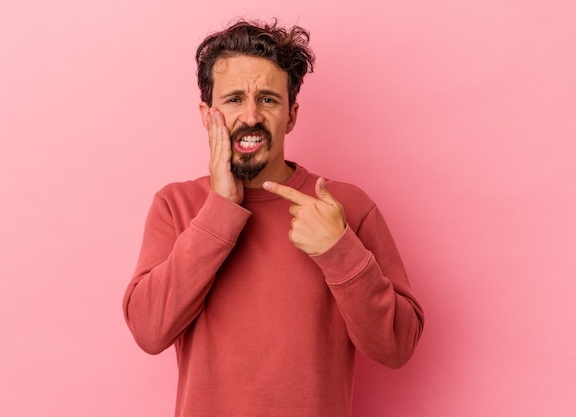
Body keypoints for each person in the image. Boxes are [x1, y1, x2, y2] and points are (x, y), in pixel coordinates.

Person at [123, 19, 424, 417]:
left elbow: (397, 346)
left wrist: (340, 251)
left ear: (292, 114)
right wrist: (220, 209)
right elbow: (149, 330)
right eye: (233, 100)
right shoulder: (176, 205)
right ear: (206, 115)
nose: (251, 116)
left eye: (268, 99)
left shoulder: (345, 207)